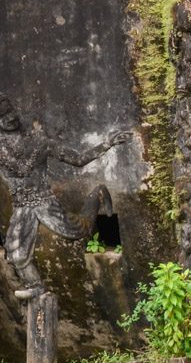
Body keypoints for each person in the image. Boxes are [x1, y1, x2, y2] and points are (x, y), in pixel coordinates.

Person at [0, 92, 131, 299]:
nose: (8, 118)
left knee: (79, 231)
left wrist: (107, 143)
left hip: (44, 201)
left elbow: (78, 159)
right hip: (21, 206)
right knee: (16, 254)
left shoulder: (39, 141)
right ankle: (36, 286)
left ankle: (97, 194)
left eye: (10, 112)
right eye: (2, 116)